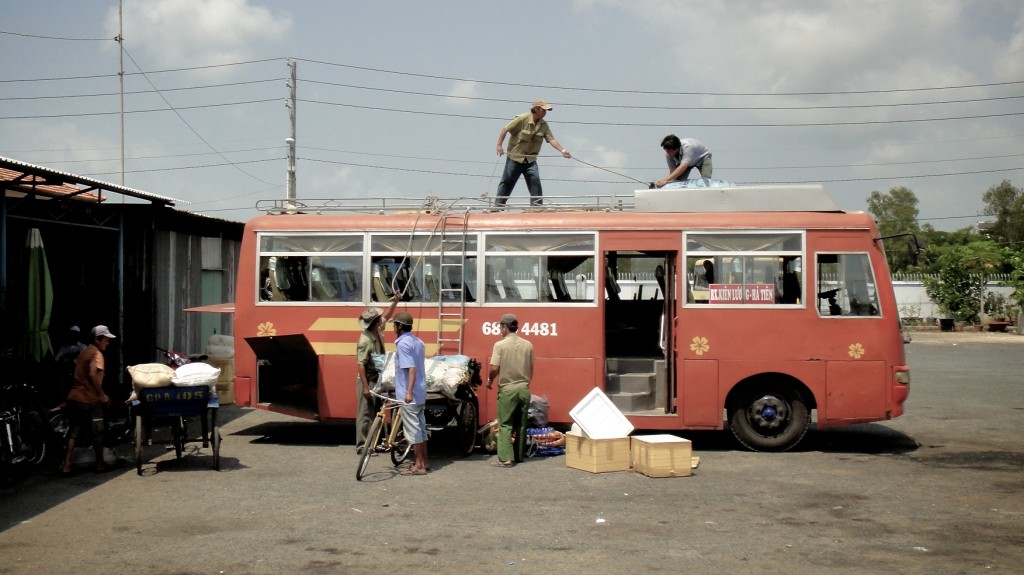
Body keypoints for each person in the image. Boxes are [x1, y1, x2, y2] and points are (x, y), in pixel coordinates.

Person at [494, 99, 572, 207]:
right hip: (515, 157)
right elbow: (505, 129)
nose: (545, 113)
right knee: (507, 181)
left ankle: (537, 208)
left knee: (535, 181)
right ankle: (497, 207)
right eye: (543, 110)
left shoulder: (543, 125)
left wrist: (563, 150)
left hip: (530, 160)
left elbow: (551, 139)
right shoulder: (522, 119)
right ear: (536, 109)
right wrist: (499, 145)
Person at [60, 325, 115, 474]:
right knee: (97, 431)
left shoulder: (84, 351)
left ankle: (66, 466)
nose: (107, 343)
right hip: (89, 399)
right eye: (106, 340)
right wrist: (101, 394)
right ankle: (100, 464)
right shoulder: (97, 355)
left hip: (74, 397)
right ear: (97, 340)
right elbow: (92, 374)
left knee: (73, 432)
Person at [354, 293, 401, 454]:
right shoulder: (365, 341)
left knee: (377, 411)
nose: (382, 319)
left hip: (377, 377)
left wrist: (395, 302)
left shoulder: (377, 330)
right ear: (375, 323)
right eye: (379, 318)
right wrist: (366, 387)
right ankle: (362, 445)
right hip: (367, 379)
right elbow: (361, 364)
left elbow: (387, 316)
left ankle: (372, 443)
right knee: (365, 413)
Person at [487, 313, 534, 467]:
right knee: (521, 424)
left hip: (507, 390)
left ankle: (506, 458)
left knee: (505, 424)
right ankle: (519, 456)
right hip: (524, 389)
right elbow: (531, 368)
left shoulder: (499, 345)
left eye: (500, 327)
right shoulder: (528, 344)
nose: (500, 330)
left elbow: (494, 368)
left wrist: (490, 380)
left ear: (505, 328)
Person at [391, 311, 429, 476]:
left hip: (410, 396)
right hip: (420, 393)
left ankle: (419, 466)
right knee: (421, 429)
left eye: (394, 325)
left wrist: (408, 393)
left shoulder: (403, 344)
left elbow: (411, 369)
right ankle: (424, 462)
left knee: (413, 432)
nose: (393, 328)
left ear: (399, 326)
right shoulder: (418, 342)